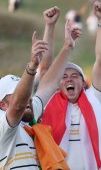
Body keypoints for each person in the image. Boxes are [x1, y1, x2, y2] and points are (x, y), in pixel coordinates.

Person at [41, 1, 101, 169]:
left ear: (84, 83)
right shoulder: (50, 101)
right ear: (57, 84)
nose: (69, 79)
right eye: (64, 76)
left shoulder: (94, 99)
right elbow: (46, 68)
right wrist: (50, 26)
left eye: (75, 75)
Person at [0, 19, 81, 169]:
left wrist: (67, 47)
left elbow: (48, 85)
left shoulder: (28, 116)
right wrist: (32, 67)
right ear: (3, 105)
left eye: (27, 93)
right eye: (18, 94)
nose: (28, 98)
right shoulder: (2, 124)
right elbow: (18, 105)